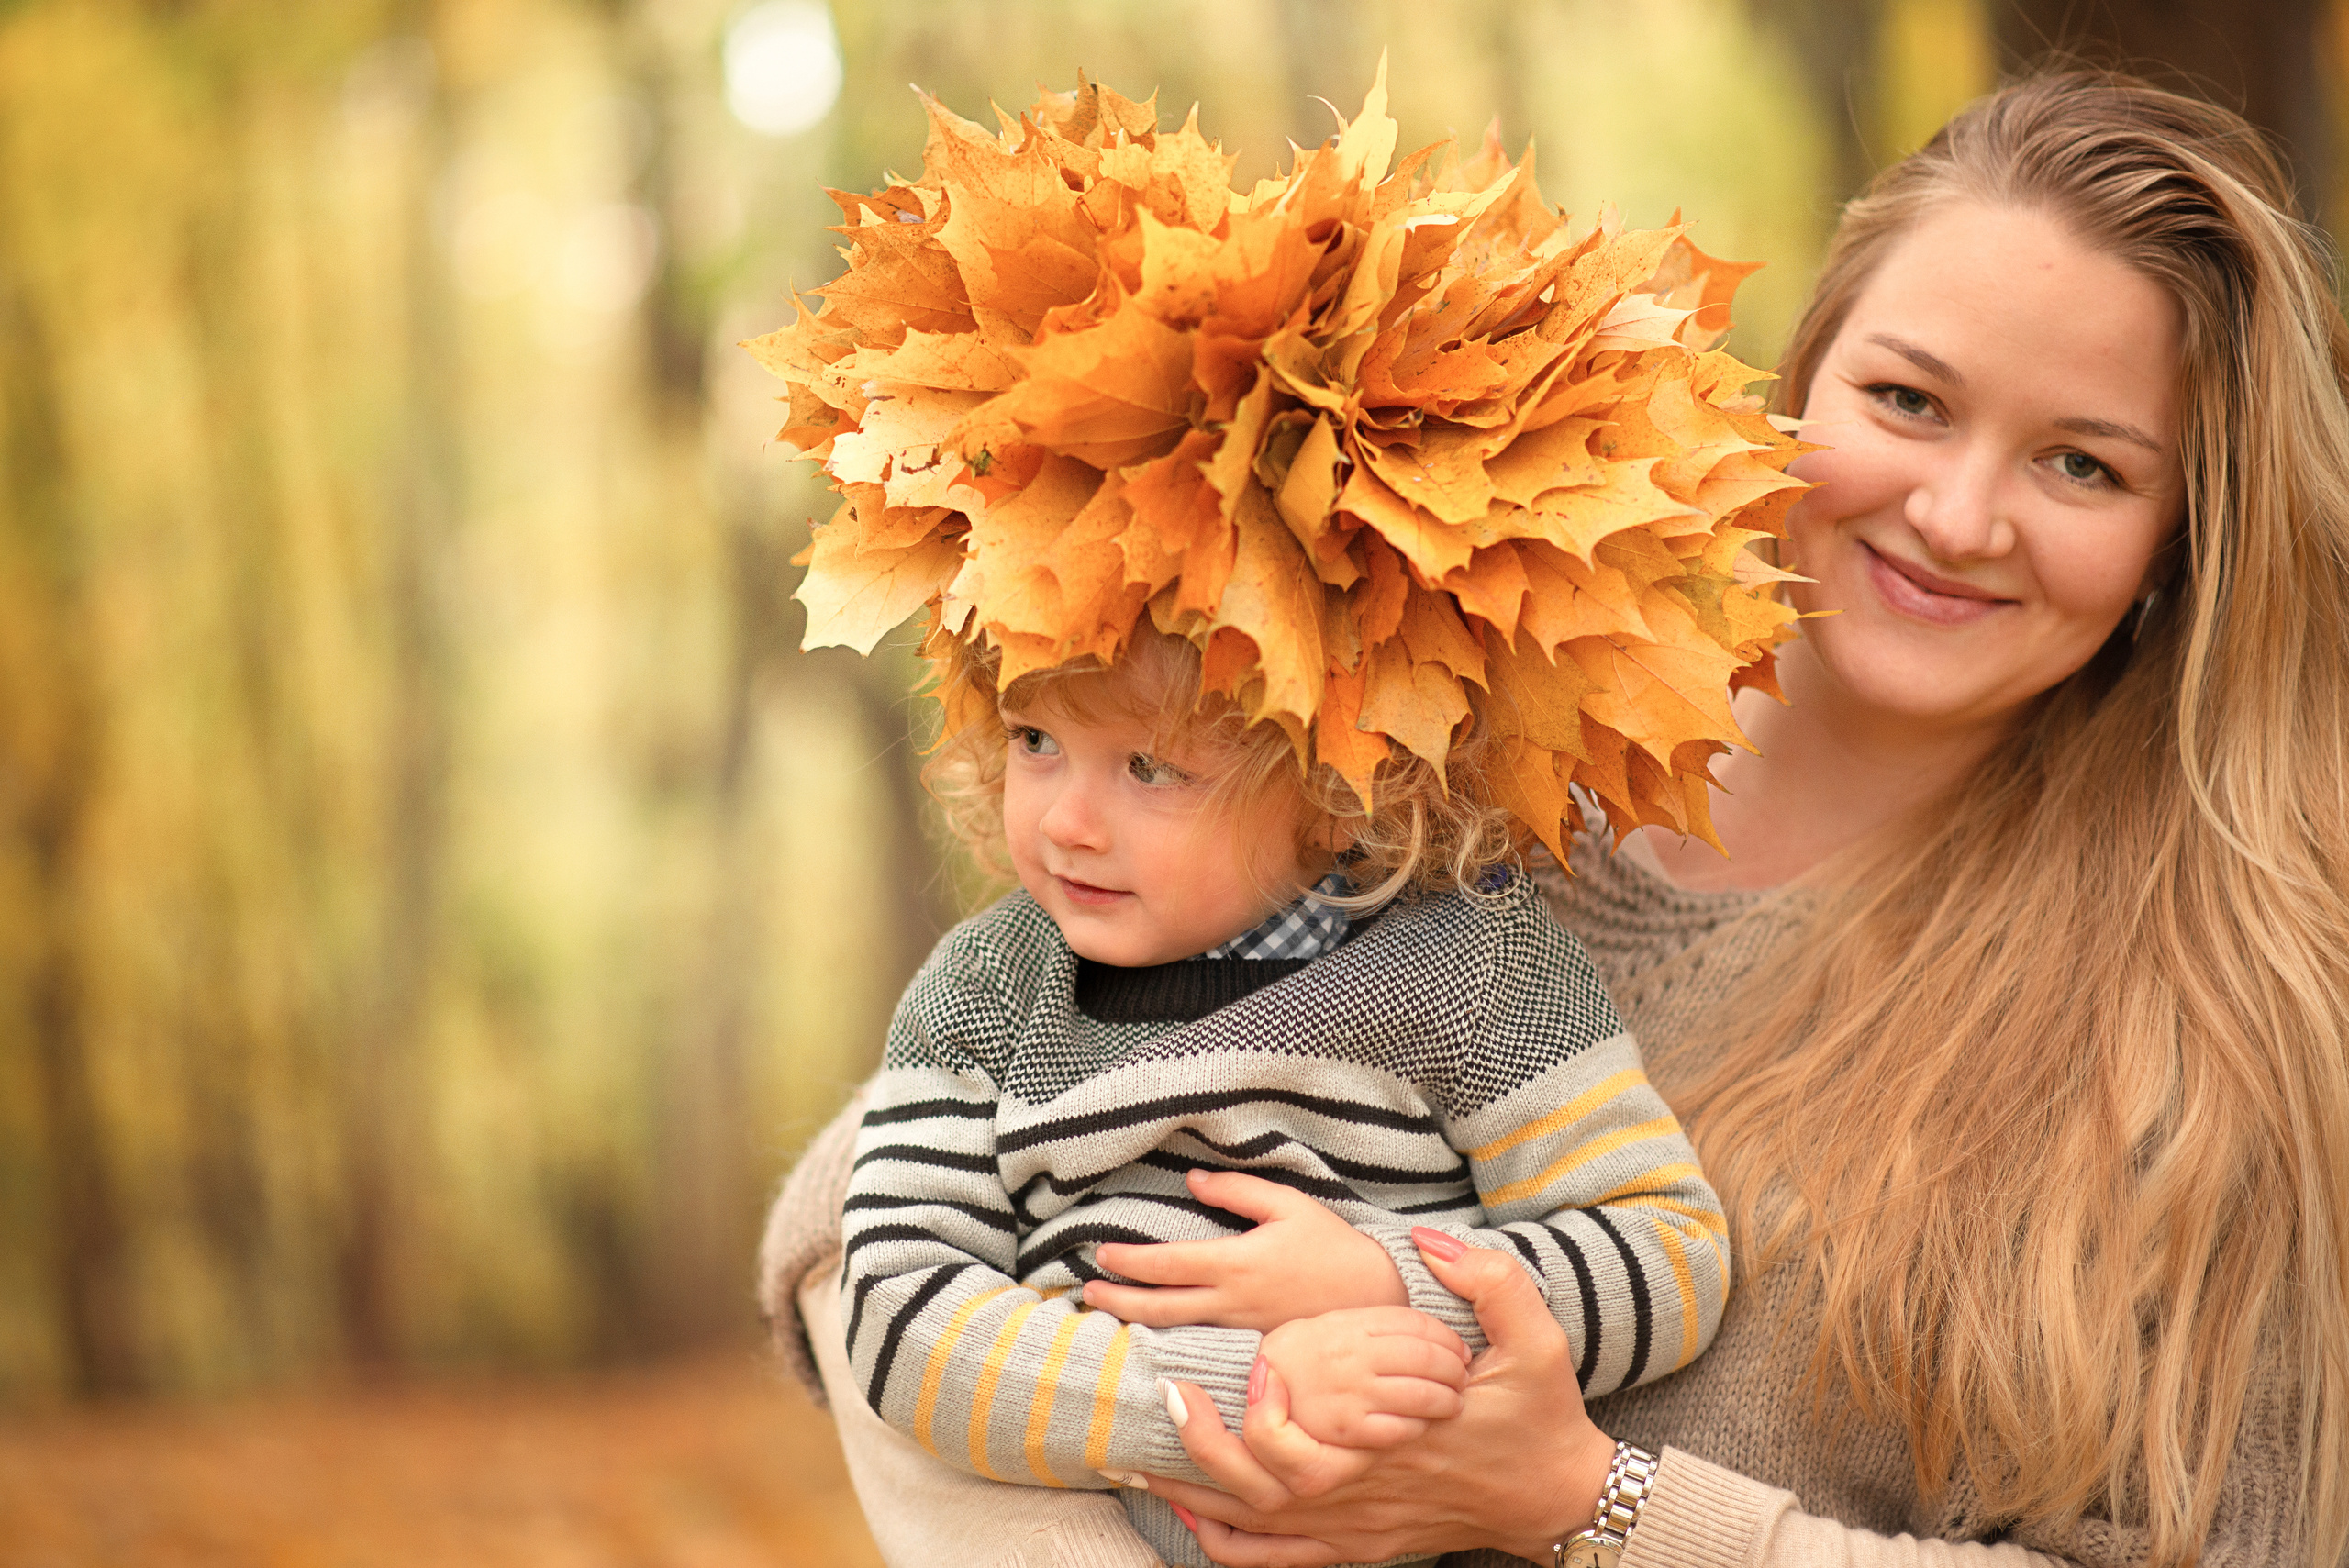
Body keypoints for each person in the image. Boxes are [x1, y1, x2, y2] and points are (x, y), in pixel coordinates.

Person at [1111, 71, 2349, 1568]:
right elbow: (888, 1202)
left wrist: (1588, 1503)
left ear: (2181, 539)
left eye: (2082, 463)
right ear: (1801, 385)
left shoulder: (2215, 1023)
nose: (1960, 515)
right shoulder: (1440, 776)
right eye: (1909, 400)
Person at [810, 617, 1729, 1568]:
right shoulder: (985, 988)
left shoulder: (1473, 966)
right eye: (1034, 739)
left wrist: (1390, 1289)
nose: (1062, 821)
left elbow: (1667, 1249)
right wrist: (1240, 1393)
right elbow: (895, 1307)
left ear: (1340, 780)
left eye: (1148, 767)